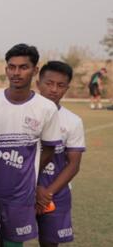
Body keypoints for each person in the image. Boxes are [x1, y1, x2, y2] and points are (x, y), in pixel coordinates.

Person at [0, 44, 62, 247]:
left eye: (23, 67)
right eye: (11, 67)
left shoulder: (46, 108)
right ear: (6, 69)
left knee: (12, 242)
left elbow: (49, 148)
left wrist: (29, 173)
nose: (16, 73)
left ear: (35, 70)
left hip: (20, 192)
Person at [36, 61, 86, 247]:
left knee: (50, 242)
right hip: (21, 189)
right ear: (38, 83)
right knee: (10, 237)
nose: (54, 89)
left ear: (67, 88)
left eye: (60, 85)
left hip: (54, 192)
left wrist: (47, 192)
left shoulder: (73, 121)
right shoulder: (22, 113)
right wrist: (34, 188)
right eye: (49, 83)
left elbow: (73, 164)